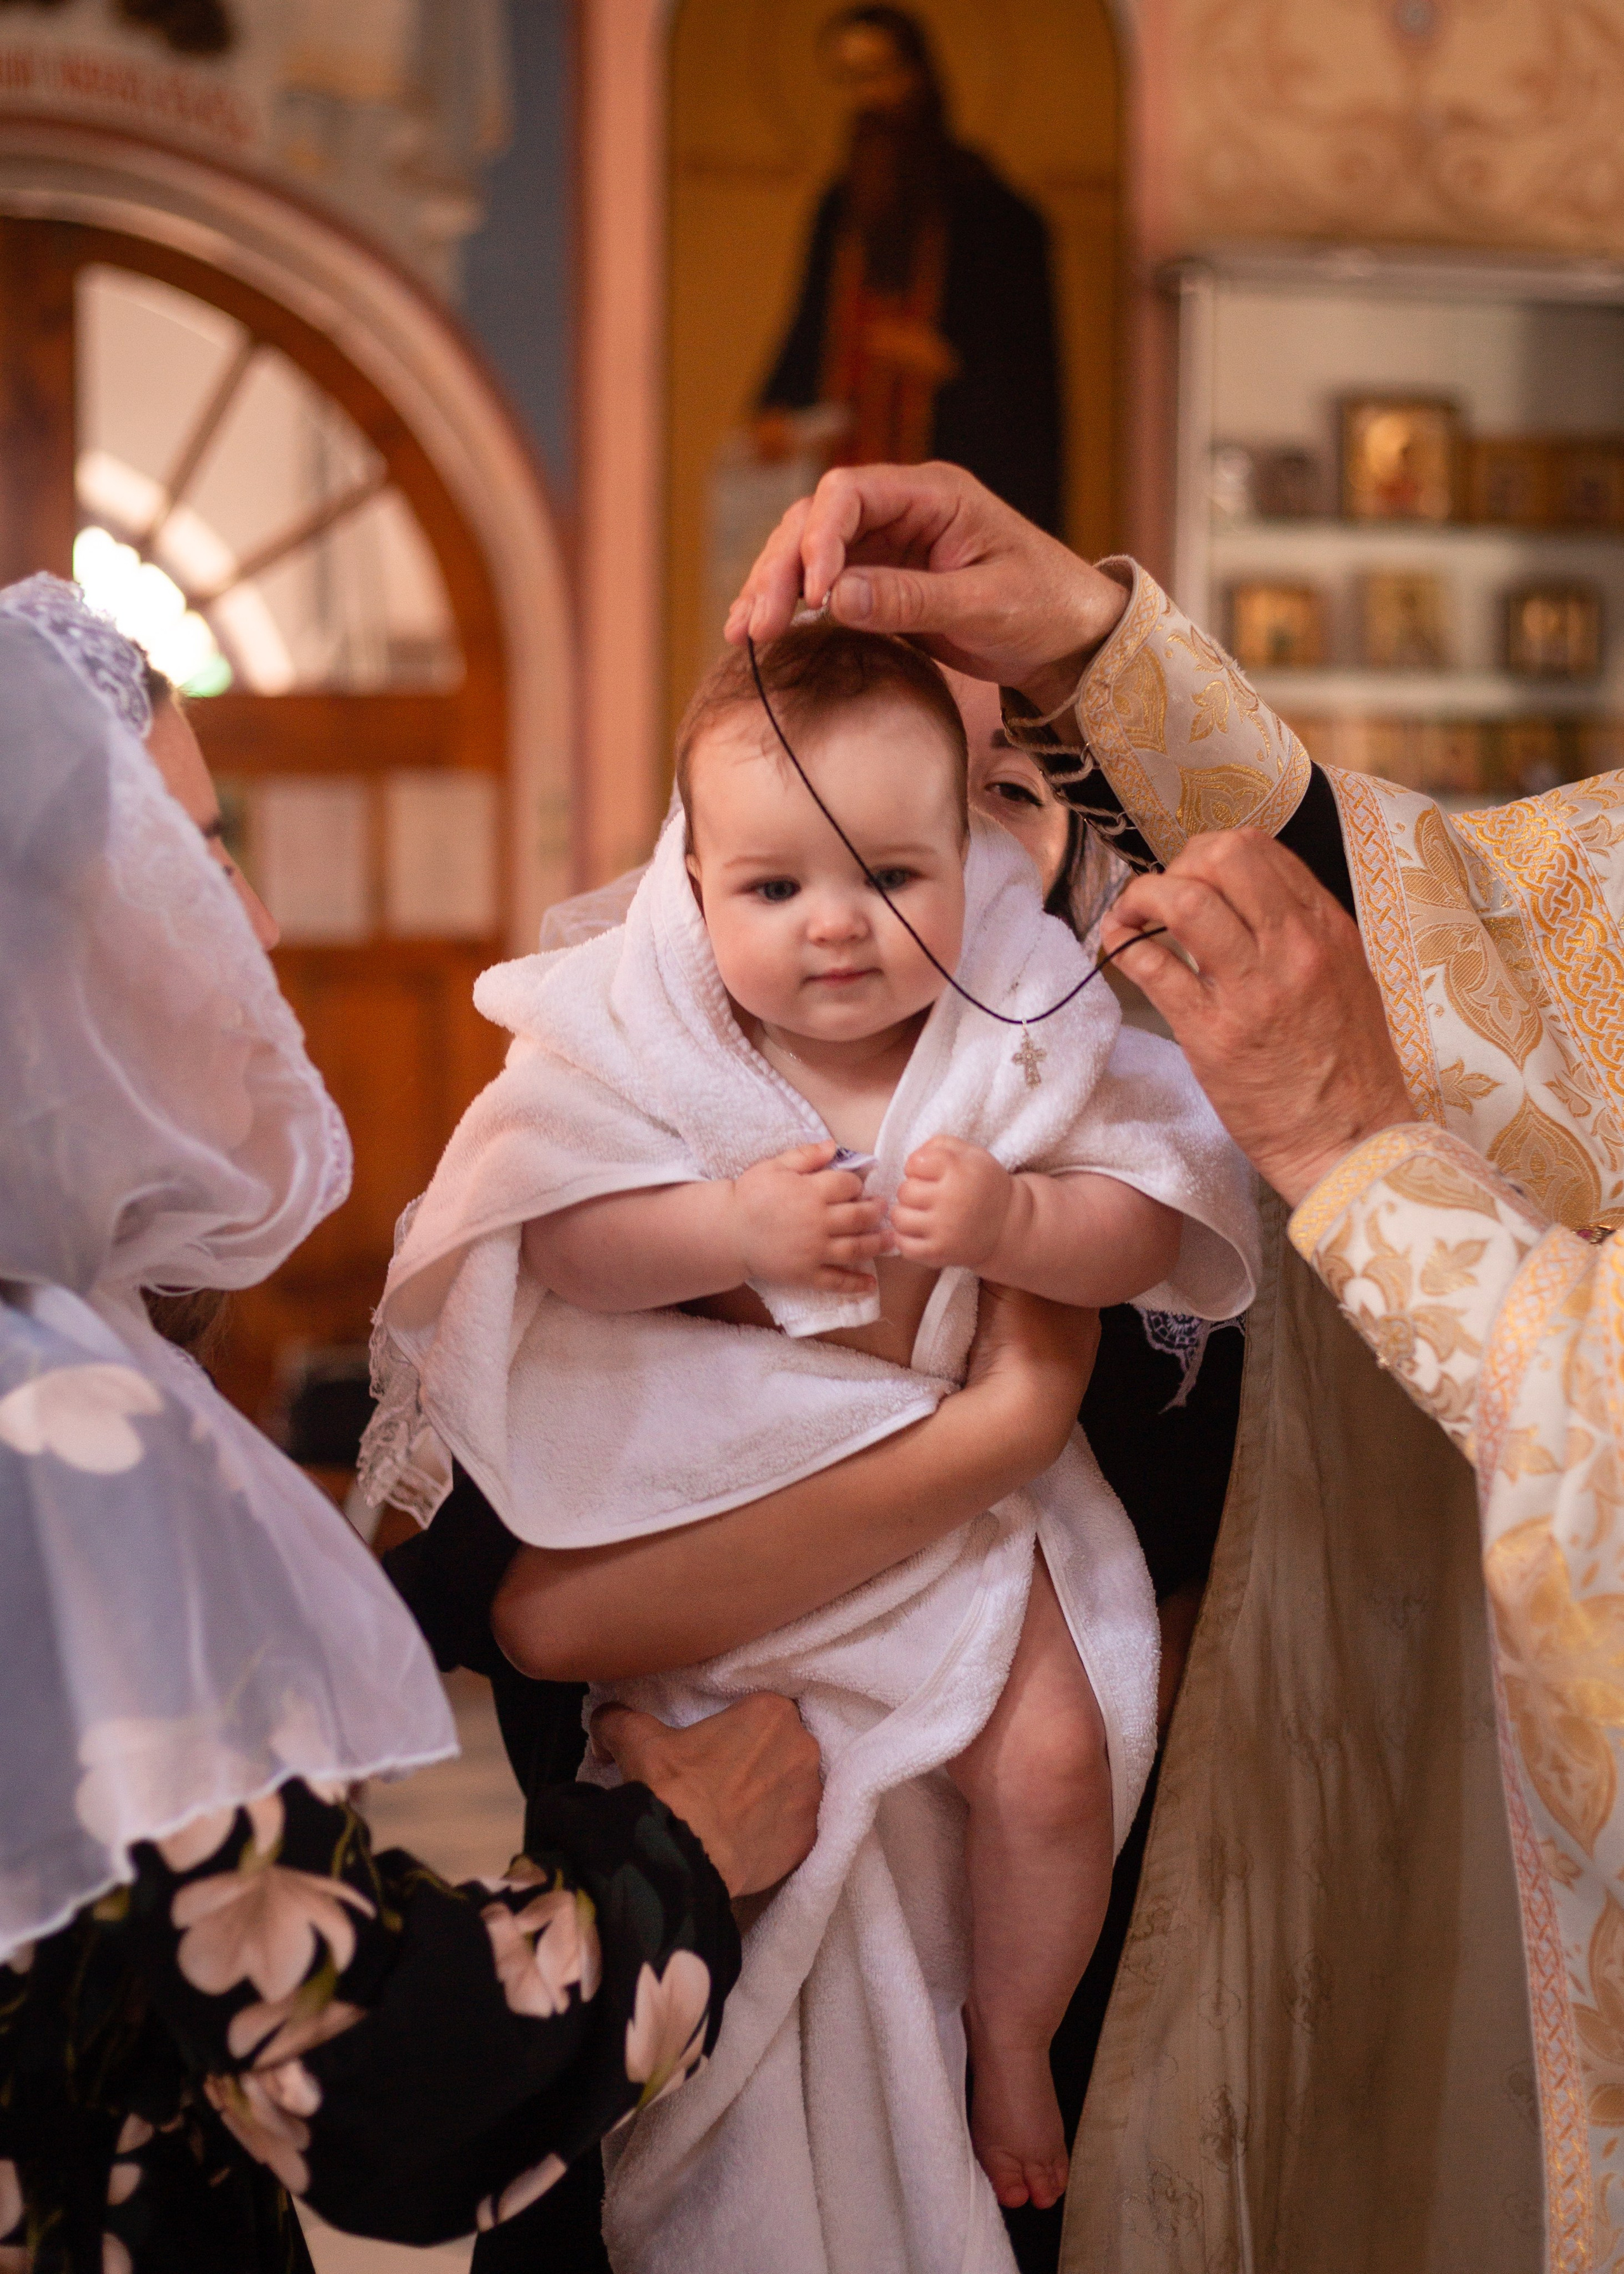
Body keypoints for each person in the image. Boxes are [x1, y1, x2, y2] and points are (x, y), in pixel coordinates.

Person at [724, 456, 1624, 2270]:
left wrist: (1361, 1165)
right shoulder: (673, 1064)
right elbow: (1517, 949)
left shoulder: (1076, 1072)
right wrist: (1096, 653)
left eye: (932, 846)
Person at [362, 621, 1255, 2259]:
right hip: (723, 1529)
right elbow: (556, 1243)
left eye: (903, 863)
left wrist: (1022, 1219)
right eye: (776, 889)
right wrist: (727, 1231)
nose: (838, 928)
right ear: (694, 885)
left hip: (982, 1550)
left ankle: (1008, 2042)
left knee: (1055, 1766)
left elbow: (1151, 1217)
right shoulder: (658, 1044)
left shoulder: (1030, 1035)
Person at [0, 574, 827, 2270]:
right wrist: (676, 1860)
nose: (261, 926)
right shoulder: (64, 1427)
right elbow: (364, 2080)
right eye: (197, 854)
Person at [756, 6, 1063, 534]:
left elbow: (1029, 377)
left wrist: (947, 361)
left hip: (955, 455)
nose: (867, 97)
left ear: (917, 74)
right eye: (849, 79)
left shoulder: (995, 213)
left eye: (878, 73)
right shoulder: (839, 208)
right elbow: (808, 326)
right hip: (847, 451)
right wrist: (777, 406)